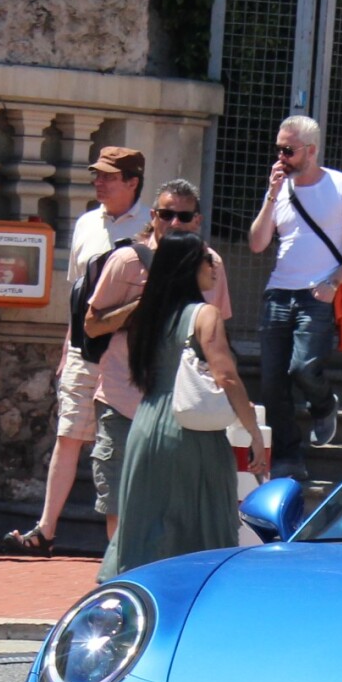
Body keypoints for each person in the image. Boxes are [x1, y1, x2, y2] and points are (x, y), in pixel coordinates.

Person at [99, 234, 268, 579]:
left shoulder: (147, 316)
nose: (214, 266)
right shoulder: (205, 314)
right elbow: (227, 377)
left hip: (146, 426)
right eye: (207, 259)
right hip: (193, 434)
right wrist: (253, 432)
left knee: (146, 529)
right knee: (204, 529)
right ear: (188, 266)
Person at [5, 146, 147, 553]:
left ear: (132, 181)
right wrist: (68, 347)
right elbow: (77, 293)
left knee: (119, 446)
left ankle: (121, 544)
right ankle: (45, 530)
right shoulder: (86, 223)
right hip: (85, 349)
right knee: (69, 435)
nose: (98, 182)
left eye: (108, 176)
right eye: (96, 175)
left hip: (127, 354)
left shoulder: (152, 225)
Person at [78, 178, 234, 544]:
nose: (174, 223)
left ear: (197, 220)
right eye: (167, 215)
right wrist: (143, 306)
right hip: (123, 400)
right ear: (153, 216)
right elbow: (92, 325)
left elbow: (217, 334)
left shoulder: (211, 265)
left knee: (175, 506)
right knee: (119, 500)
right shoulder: (126, 261)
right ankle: (120, 580)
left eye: (183, 216)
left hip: (178, 410)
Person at [247, 115, 342, 480]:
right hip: (279, 293)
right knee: (271, 381)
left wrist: (335, 281)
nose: (281, 158)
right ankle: (287, 455)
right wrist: (270, 195)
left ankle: (323, 402)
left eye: (289, 150)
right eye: (278, 150)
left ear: (311, 151)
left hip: (318, 294)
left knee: (302, 367)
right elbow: (257, 243)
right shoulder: (279, 190)